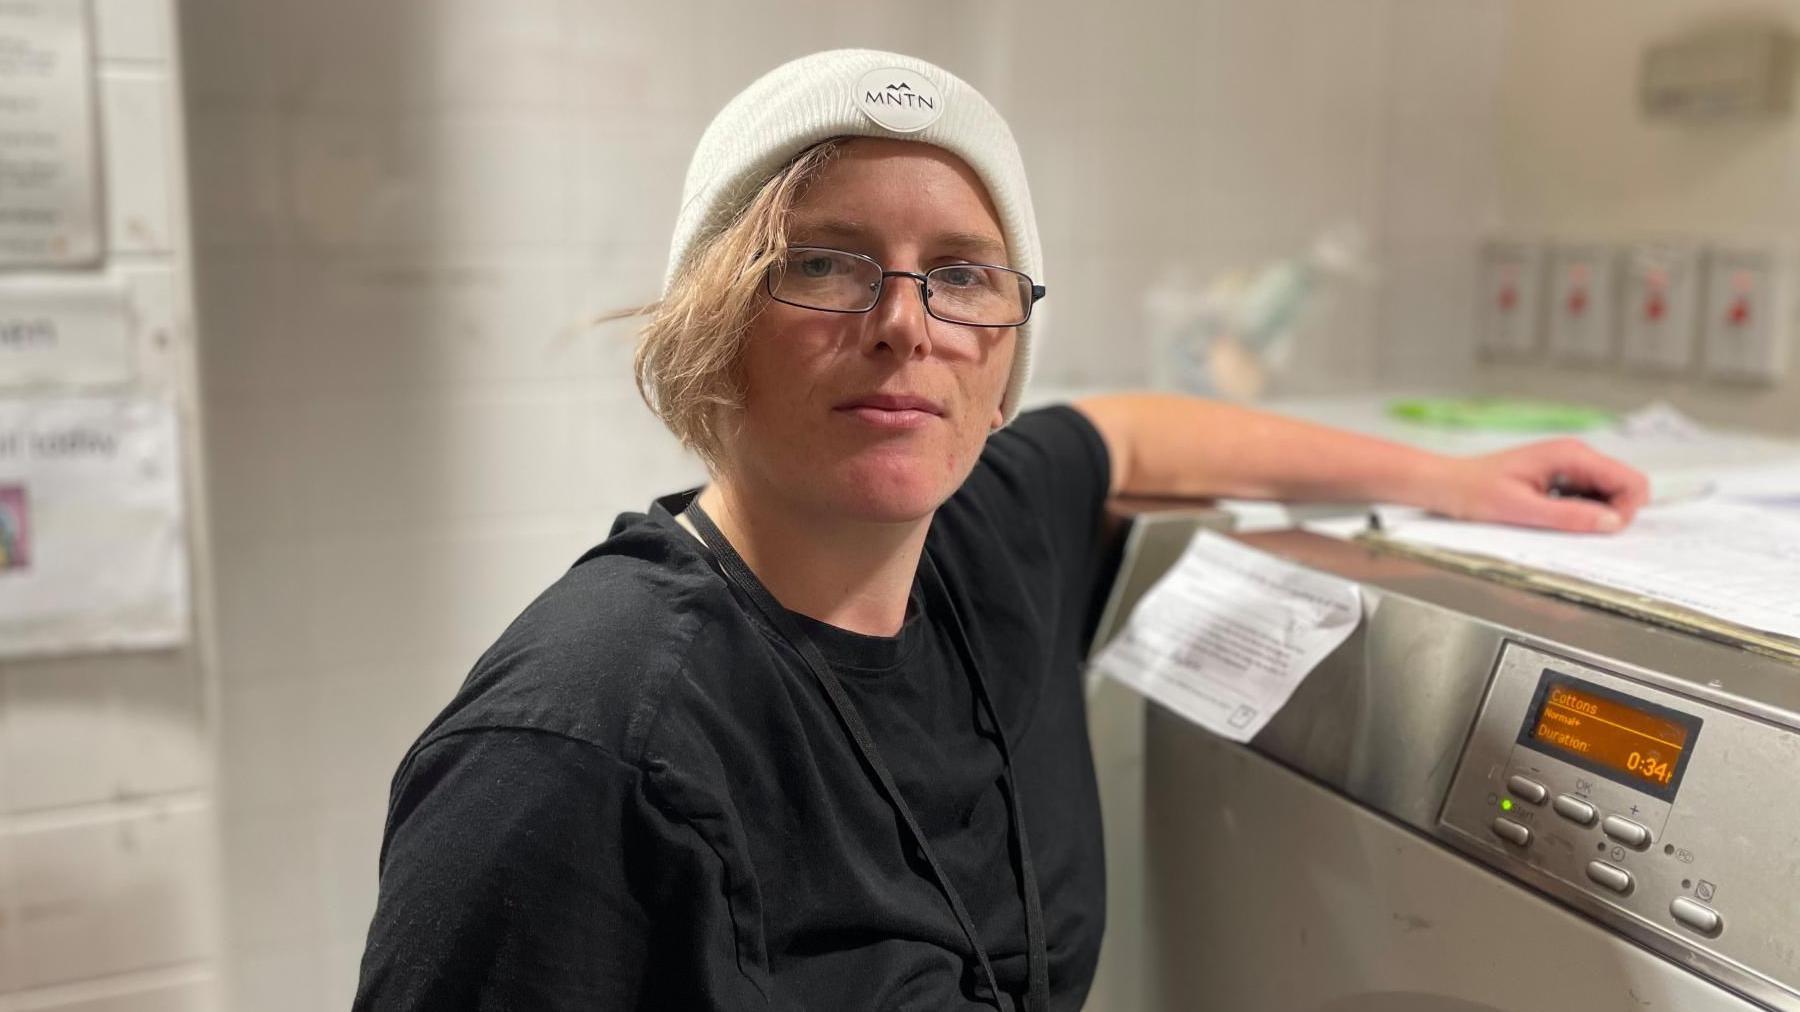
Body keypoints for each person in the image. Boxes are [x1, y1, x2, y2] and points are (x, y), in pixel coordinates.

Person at [352, 49, 1648, 1011]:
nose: (907, 323)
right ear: (717, 321)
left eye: (963, 273)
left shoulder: (987, 541)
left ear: (1006, 339)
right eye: (826, 262)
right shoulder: (578, 750)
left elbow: (1131, 438)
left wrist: (1457, 482)